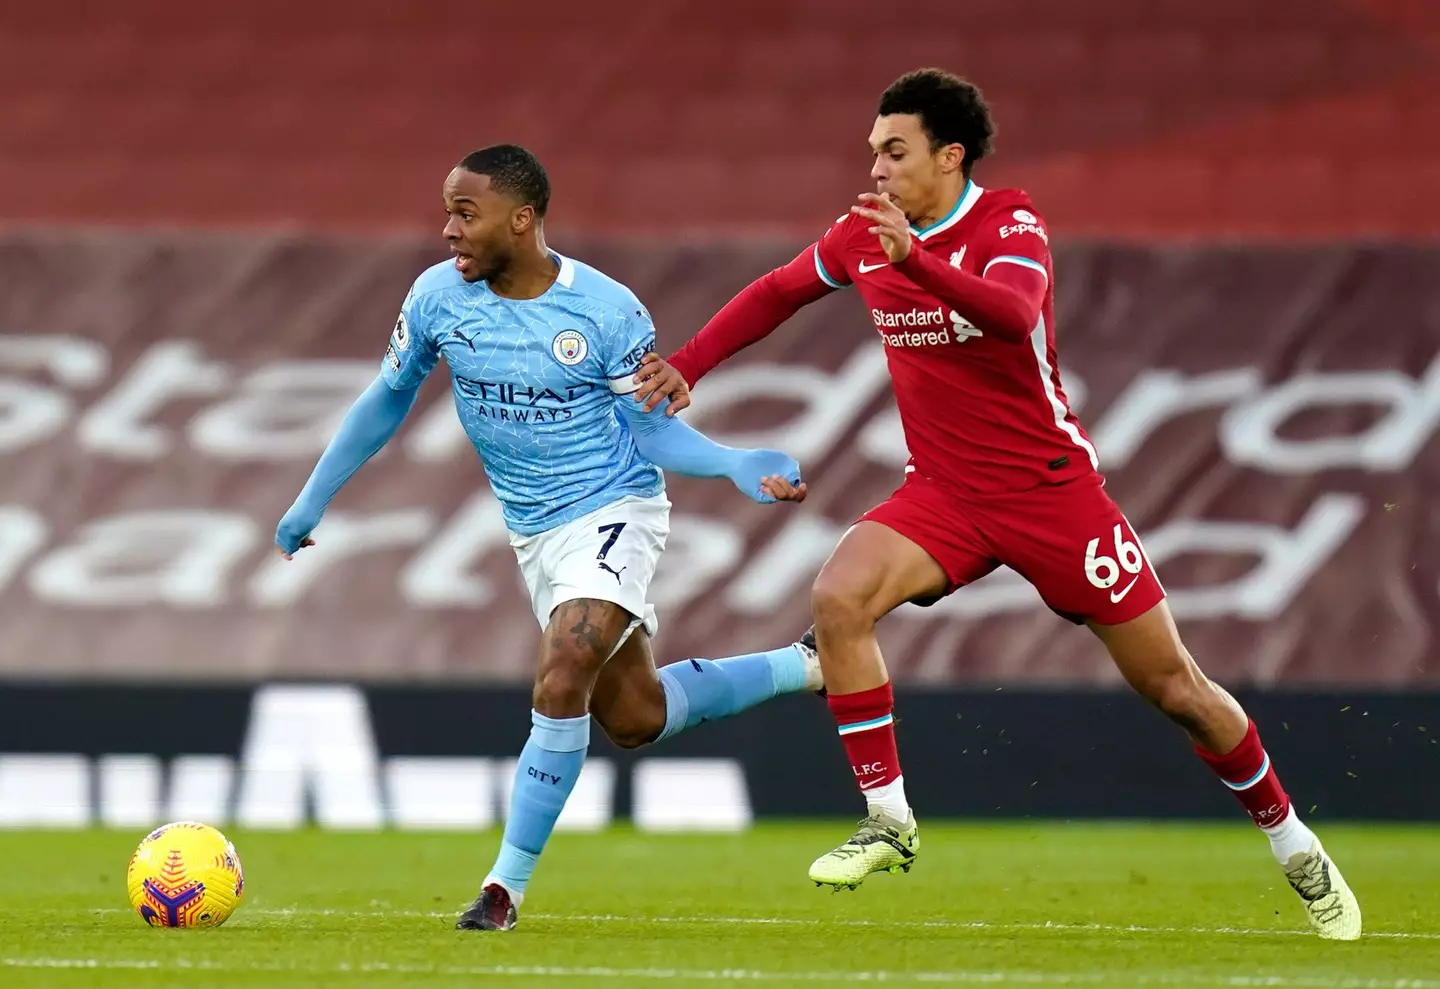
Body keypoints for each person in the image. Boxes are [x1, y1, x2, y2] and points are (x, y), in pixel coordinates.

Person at [631, 69, 1361, 940]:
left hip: (1053, 494)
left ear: (949, 155)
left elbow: (1015, 314)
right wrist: (690, 362)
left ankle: (1294, 842)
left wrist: (919, 261)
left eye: (894, 152)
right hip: (944, 492)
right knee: (837, 599)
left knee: (1178, 689)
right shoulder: (865, 237)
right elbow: (779, 290)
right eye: (872, 152)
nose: (877, 170)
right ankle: (889, 819)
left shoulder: (1009, 223)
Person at [275, 144, 820, 932]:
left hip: (614, 509)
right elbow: (385, 399)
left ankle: (503, 887)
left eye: (467, 213)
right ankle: (806, 665)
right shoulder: (437, 299)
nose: (448, 230)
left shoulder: (604, 311)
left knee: (565, 661)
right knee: (634, 715)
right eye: (447, 211)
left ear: (521, 220)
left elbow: (653, 433)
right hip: (533, 532)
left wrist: (735, 464)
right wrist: (311, 499)